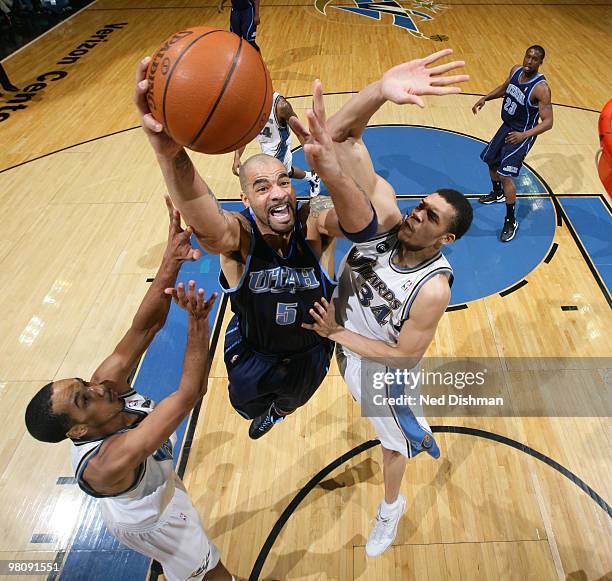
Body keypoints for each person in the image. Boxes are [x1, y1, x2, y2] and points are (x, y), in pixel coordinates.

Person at [289, 49, 473, 557]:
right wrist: (377, 91)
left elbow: (405, 357)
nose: (417, 217)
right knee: (395, 421)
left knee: (392, 444)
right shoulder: (389, 217)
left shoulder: (433, 288)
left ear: (447, 239)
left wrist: (336, 335)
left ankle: (391, 510)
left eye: (431, 218)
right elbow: (341, 140)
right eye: (422, 206)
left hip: (382, 370)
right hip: (348, 344)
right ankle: (414, 424)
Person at [24, 198, 239, 581]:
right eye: (83, 398)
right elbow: (189, 393)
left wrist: (171, 260)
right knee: (210, 572)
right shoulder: (110, 461)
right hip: (153, 520)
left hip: (157, 486)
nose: (96, 387)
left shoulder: (104, 386)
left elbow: (144, 328)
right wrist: (197, 324)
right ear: (76, 430)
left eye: (83, 383)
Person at [135, 57, 346, 440]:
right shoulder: (240, 238)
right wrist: (170, 152)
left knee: (292, 400)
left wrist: (333, 167)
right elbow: (208, 224)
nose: (279, 193)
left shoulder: (315, 221)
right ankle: (264, 411)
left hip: (310, 351)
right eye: (263, 187)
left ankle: (278, 413)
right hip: (253, 353)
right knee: (244, 404)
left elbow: (356, 217)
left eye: (283, 181)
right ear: (245, 199)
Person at [472, 45, 553, 242]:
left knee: (505, 174)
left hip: (521, 134)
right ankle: (497, 193)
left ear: (540, 62)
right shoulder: (516, 70)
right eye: (528, 57)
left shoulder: (541, 88)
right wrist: (485, 98)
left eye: (535, 59)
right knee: (490, 161)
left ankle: (510, 220)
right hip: (507, 126)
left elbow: (548, 123)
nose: (529, 61)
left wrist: (524, 135)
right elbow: (505, 87)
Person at [233, 91, 321, 197]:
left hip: (279, 145)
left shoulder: (281, 106)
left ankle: (288, 204)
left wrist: (311, 159)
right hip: (265, 142)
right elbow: (245, 132)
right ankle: (312, 178)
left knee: (274, 178)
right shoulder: (248, 104)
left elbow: (301, 133)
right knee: (286, 171)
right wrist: (237, 157)